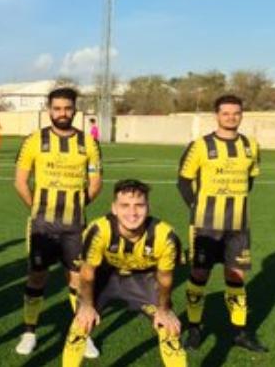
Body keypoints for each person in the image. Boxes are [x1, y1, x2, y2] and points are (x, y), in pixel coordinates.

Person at [13, 87, 103, 357]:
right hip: (42, 225)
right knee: (37, 276)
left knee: (78, 281)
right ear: (49, 110)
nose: (62, 113)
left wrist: (77, 205)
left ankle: (81, 333)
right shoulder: (34, 141)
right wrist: (37, 207)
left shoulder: (88, 142)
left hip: (75, 226)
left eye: (67, 108)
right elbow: (19, 181)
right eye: (57, 108)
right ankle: (29, 332)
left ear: (74, 110)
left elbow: (96, 182)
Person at [177, 94, 268, 353]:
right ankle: (194, 328)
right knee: (199, 274)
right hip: (205, 225)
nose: (231, 117)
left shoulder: (251, 145)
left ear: (242, 115)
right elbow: (183, 181)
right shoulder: (200, 145)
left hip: (238, 225)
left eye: (236, 113)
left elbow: (250, 180)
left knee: (236, 275)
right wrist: (197, 208)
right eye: (226, 113)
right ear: (217, 115)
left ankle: (239, 332)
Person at [62, 179, 186, 367]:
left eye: (139, 205)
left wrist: (164, 310)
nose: (132, 212)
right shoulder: (99, 230)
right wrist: (86, 306)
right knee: (79, 327)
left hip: (143, 281)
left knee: (168, 330)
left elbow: (165, 278)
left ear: (148, 207)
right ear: (114, 208)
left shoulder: (166, 236)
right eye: (125, 205)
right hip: (106, 279)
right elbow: (87, 274)